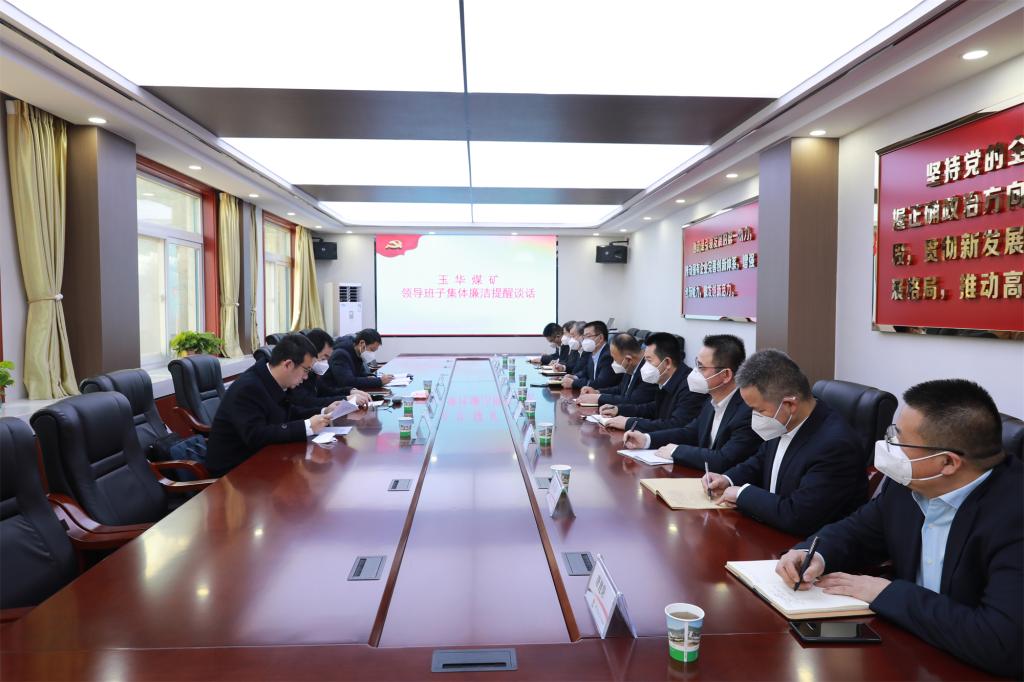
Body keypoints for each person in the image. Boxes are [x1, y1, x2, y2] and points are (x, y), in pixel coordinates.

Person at [775, 379, 1021, 679]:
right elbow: (858, 530)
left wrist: (888, 593)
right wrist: (813, 553)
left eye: (900, 441)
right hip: (910, 648)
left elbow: (1001, 642)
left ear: (947, 462)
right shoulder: (910, 484)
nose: (890, 448)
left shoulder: (1013, 516)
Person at [702, 349, 866, 536]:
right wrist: (727, 479)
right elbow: (760, 461)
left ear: (790, 405)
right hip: (768, 527)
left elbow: (799, 516)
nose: (754, 417)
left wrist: (742, 494)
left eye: (759, 411)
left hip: (803, 544)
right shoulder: (783, 420)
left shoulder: (836, 446)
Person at [206, 334, 346, 476]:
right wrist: (307, 426)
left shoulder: (271, 379)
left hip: (261, 459)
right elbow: (256, 436)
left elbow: (290, 412)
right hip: (234, 471)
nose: (306, 377)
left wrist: (324, 411)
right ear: (288, 364)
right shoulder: (248, 388)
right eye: (306, 370)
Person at [623, 334, 759, 472]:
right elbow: (690, 432)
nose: (695, 372)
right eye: (696, 364)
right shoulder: (710, 401)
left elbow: (724, 459)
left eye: (701, 367)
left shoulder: (747, 411)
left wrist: (676, 451)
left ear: (726, 375)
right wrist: (646, 439)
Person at [599, 332, 707, 432]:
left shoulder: (690, 386)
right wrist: (618, 409)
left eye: (648, 360)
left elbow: (676, 425)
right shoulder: (667, 378)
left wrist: (630, 423)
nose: (645, 366)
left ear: (667, 362)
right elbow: (654, 408)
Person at [291, 329, 370, 410]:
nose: (326, 361)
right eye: (324, 356)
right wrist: (346, 399)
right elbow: (308, 402)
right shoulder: (297, 373)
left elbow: (326, 391)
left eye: (328, 357)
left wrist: (350, 391)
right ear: (311, 352)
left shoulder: (312, 373)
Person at [579, 333, 656, 406]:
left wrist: (598, 398)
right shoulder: (631, 364)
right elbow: (621, 388)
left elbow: (632, 401)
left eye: (615, 359)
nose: (613, 363)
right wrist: (597, 392)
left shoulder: (648, 373)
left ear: (628, 359)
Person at [323, 328, 393, 392]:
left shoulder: (357, 353)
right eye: (371, 349)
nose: (372, 354)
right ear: (362, 343)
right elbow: (347, 382)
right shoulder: (340, 355)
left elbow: (360, 374)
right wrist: (379, 381)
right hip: (334, 393)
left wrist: (369, 377)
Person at [562, 321, 617, 390]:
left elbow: (601, 383)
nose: (584, 340)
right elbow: (586, 371)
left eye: (588, 336)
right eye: (584, 337)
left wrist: (574, 383)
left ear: (600, 338)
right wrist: (574, 377)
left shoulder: (608, 355)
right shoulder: (593, 353)